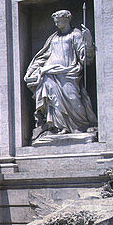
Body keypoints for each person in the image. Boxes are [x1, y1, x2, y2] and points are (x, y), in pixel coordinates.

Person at [23, 10, 97, 140]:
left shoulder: (76, 34)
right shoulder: (53, 38)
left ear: (67, 20)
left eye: (59, 21)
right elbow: (42, 57)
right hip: (50, 73)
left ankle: (80, 126)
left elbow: (85, 58)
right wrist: (30, 71)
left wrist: (88, 41)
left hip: (69, 72)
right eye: (55, 22)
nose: (56, 24)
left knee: (73, 98)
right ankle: (60, 127)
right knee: (54, 101)